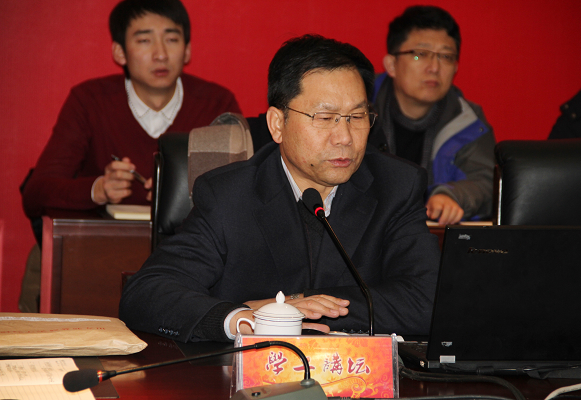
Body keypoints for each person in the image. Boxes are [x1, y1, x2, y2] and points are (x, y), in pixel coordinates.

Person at [119, 34, 440, 343]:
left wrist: (284, 308)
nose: (345, 137)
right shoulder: (229, 197)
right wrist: (242, 318)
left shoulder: (396, 186)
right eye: (325, 117)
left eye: (356, 116)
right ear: (277, 124)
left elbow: (430, 301)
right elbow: (147, 293)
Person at [19, 0, 240, 312]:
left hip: (188, 264)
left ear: (187, 50)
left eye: (172, 39)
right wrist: (97, 189)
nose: (160, 54)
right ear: (119, 52)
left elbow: (241, 194)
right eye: (144, 40)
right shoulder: (90, 101)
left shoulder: (216, 104)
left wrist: (181, 195)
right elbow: (36, 193)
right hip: (94, 260)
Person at [369, 5, 495, 225]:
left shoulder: (468, 120)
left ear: (456, 67)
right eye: (420, 54)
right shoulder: (358, 107)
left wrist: (452, 196)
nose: (434, 68)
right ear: (391, 64)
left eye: (446, 56)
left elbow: (487, 183)